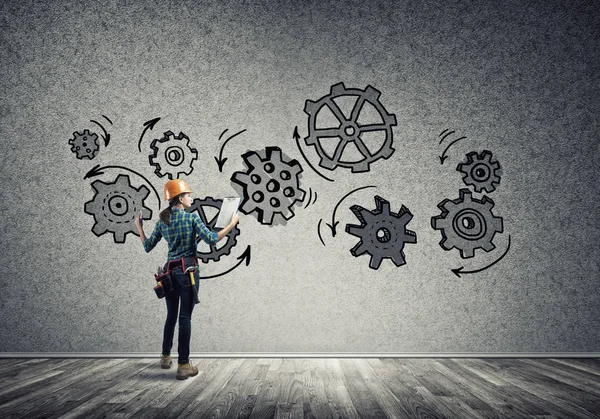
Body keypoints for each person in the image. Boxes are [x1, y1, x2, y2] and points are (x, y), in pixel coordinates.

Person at [134, 179, 240, 380]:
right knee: (185, 318)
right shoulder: (191, 219)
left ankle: (165, 357)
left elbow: (147, 246)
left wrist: (139, 228)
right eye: (188, 195)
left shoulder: (162, 221)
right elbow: (212, 239)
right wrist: (232, 224)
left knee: (171, 316)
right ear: (180, 198)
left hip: (168, 274)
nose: (191, 198)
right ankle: (183, 364)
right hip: (188, 271)